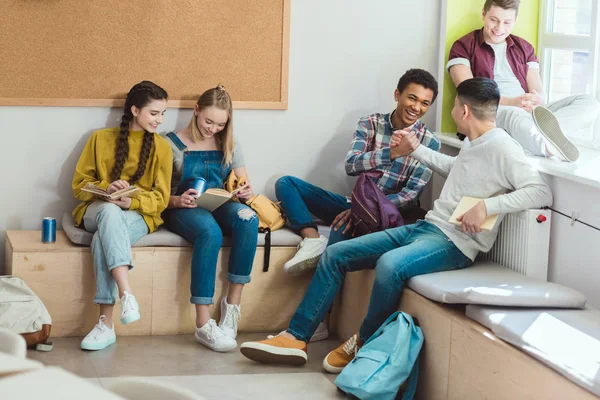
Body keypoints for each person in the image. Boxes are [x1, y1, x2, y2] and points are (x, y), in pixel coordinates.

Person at [239, 78, 552, 374]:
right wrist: (417, 149)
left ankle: (362, 342)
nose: (452, 111)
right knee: (336, 255)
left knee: (390, 265)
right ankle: (295, 337)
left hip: (454, 244)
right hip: (427, 228)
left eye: (454, 105)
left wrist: (488, 206)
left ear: (464, 110)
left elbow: (540, 191)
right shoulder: (476, 142)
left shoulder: (503, 147)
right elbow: (456, 168)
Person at [276, 69, 441, 278]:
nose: (416, 107)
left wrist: (365, 209)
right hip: (354, 204)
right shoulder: (370, 123)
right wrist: (392, 153)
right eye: (412, 98)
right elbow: (351, 165)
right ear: (397, 95)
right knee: (286, 184)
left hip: (388, 216)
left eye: (425, 103)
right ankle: (312, 239)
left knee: (340, 230)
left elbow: (410, 195)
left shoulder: (430, 142)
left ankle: (331, 307)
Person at [73, 81, 173, 351]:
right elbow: (79, 186)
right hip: (97, 209)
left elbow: (161, 199)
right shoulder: (99, 138)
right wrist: (107, 189)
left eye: (163, 114)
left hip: (137, 214)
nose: (160, 120)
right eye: (154, 113)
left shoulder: (162, 148)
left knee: (101, 240)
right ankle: (126, 292)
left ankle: (105, 324)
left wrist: (131, 201)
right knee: (108, 211)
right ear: (135, 110)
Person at [162, 85, 258, 352]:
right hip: (182, 208)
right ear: (196, 111)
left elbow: (243, 184)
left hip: (219, 202)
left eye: (220, 124)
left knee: (248, 218)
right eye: (208, 121)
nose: (213, 129)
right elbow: (156, 192)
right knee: (210, 232)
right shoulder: (169, 143)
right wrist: (178, 200)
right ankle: (204, 324)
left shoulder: (229, 143)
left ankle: (232, 307)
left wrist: (244, 192)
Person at [447, 0, 600, 162]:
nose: (499, 28)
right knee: (514, 116)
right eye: (494, 20)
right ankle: (547, 147)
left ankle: (543, 136)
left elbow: (539, 91)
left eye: (507, 22)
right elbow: (469, 93)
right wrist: (513, 102)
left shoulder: (524, 47)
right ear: (483, 14)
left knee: (588, 102)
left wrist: (536, 99)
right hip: (490, 110)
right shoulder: (463, 46)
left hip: (526, 111)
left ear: (515, 20)